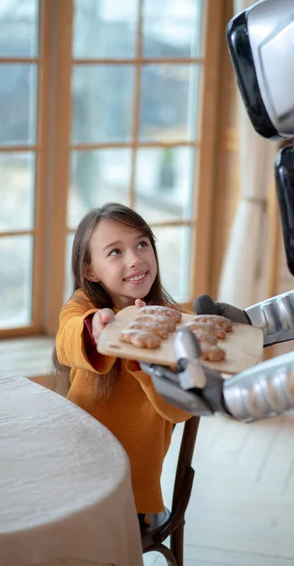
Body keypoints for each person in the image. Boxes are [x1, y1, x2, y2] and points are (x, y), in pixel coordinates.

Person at [54, 202, 191, 523]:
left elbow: (181, 410)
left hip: (134, 489)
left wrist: (148, 358)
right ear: (90, 270)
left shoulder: (175, 322)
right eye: (115, 252)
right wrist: (97, 329)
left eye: (142, 244)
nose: (135, 259)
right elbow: (66, 340)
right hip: (77, 469)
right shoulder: (83, 308)